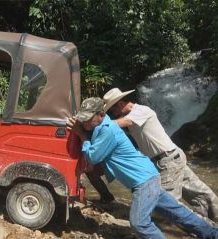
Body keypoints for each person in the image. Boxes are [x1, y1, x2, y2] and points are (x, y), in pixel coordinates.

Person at [67, 97, 218, 239]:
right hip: (148, 175)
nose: (84, 122)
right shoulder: (100, 126)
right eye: (83, 118)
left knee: (139, 223)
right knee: (177, 212)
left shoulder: (108, 129)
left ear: (101, 114)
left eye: (88, 118)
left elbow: (93, 157)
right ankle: (213, 233)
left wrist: (82, 135)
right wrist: (82, 128)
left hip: (144, 180)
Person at [103, 88, 218, 222]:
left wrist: (97, 124)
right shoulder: (135, 113)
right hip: (170, 158)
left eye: (113, 110)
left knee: (167, 204)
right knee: (200, 192)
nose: (113, 113)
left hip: (167, 160)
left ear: (120, 103)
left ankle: (204, 227)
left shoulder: (140, 111)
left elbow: (123, 123)